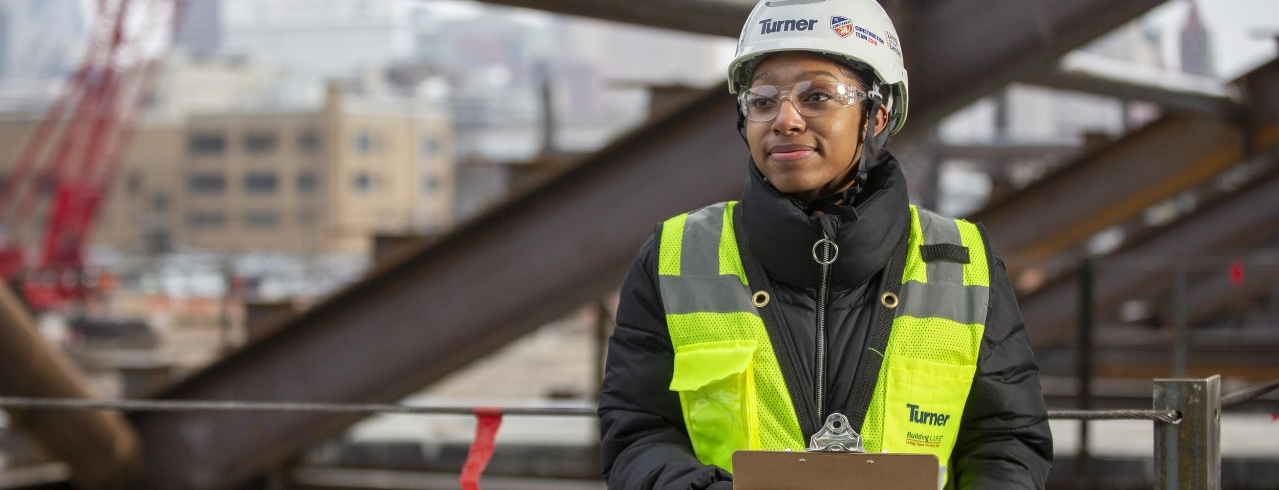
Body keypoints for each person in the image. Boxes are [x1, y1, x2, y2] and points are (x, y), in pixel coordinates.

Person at [597, 0, 1053, 488]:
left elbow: (1005, 440)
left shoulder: (962, 265)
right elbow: (639, 432)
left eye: (816, 96)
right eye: (763, 100)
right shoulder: (677, 258)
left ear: (877, 115)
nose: (785, 120)